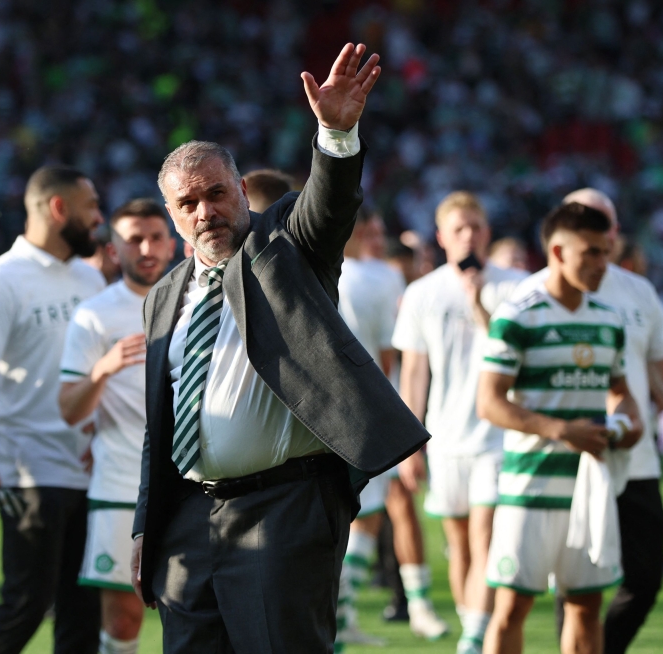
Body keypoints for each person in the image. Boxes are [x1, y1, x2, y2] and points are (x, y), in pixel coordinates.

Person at [131, 43, 429, 652]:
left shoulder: (286, 246)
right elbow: (158, 425)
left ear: (241, 190)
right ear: (172, 214)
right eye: (188, 203)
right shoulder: (163, 297)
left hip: (284, 507)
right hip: (188, 519)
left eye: (216, 193)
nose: (205, 211)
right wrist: (146, 526)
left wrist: (336, 135)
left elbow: (328, 205)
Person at [512, 188, 663, 653]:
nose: (599, 235)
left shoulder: (637, 291)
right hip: (567, 461)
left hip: (635, 457)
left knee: (644, 578)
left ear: (615, 232)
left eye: (605, 223)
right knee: (574, 585)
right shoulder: (533, 294)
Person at [477, 202, 644, 654]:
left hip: (587, 489)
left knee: (585, 608)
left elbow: (621, 392)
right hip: (528, 487)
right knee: (511, 609)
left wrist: (627, 423)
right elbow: (489, 402)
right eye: (590, 252)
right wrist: (560, 430)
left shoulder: (608, 320)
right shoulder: (519, 316)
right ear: (557, 250)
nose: (601, 263)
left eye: (606, 252)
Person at [0, 165, 106, 654]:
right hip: (31, 471)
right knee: (26, 604)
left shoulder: (91, 279)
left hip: (91, 469)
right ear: (58, 209)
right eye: (91, 209)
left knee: (83, 615)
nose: (100, 219)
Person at [391, 191, 526, 654]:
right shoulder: (422, 293)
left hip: (499, 435)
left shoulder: (517, 287)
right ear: (442, 237)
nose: (469, 236)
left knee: (486, 534)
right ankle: (475, 625)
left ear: (488, 233)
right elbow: (413, 374)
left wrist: (480, 305)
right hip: (446, 437)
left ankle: (471, 640)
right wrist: (410, 446)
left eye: (476, 228)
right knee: (460, 542)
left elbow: (520, 359)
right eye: (459, 229)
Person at [58, 198, 176, 654]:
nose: (145, 248)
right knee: (124, 618)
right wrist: (101, 370)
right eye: (133, 239)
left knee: (190, 610)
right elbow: (69, 409)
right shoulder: (94, 314)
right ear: (113, 250)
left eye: (154, 237)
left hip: (192, 486)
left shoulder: (197, 302)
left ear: (172, 244)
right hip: (119, 482)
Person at [335, 208, 448, 647]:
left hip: (339, 408)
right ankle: (417, 605)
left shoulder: (325, 269)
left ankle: (344, 614)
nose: (378, 238)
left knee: (369, 515)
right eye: (371, 229)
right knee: (396, 502)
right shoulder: (380, 276)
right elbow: (388, 354)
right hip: (381, 404)